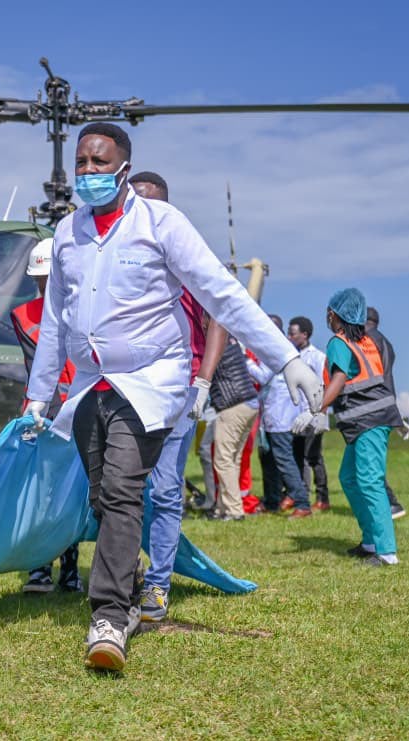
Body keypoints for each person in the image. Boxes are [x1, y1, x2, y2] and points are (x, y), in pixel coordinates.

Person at [25, 123, 322, 671]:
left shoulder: (161, 224)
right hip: (92, 383)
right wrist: (38, 397)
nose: (88, 173)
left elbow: (222, 293)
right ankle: (131, 580)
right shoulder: (67, 233)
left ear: (123, 169)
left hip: (149, 383)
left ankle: (109, 616)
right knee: (101, 496)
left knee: (120, 489)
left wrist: (287, 358)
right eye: (81, 163)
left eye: (98, 162)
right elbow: (54, 323)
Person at [129, 170, 229, 623]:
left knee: (166, 487)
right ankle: (122, 573)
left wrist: (203, 382)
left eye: (151, 202)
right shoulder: (121, 256)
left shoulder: (190, 258)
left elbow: (219, 318)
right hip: (126, 387)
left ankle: (157, 585)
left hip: (179, 391)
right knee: (119, 489)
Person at [294, 289, 401, 566]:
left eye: (329, 311)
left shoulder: (338, 342)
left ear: (335, 314)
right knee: (350, 478)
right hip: (369, 419)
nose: (327, 316)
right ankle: (370, 542)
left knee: (369, 481)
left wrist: (315, 411)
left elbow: (339, 378)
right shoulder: (365, 341)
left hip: (369, 420)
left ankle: (387, 552)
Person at [11, 238, 83, 594]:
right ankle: (39, 568)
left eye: (49, 277)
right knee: (40, 493)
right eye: (39, 279)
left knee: (73, 496)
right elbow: (36, 367)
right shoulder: (23, 316)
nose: (44, 285)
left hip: (83, 409)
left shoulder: (87, 308)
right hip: (45, 415)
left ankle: (70, 570)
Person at [247, 314, 312, 518]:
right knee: (268, 459)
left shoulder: (276, 348)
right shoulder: (278, 347)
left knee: (284, 460)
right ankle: (272, 500)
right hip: (272, 414)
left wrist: (244, 360)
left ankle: (302, 503)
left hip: (280, 415)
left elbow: (263, 376)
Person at [208, 335, 260, 521]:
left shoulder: (214, 344)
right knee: (232, 459)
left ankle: (233, 510)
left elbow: (203, 371)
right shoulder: (232, 342)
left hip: (233, 404)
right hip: (249, 402)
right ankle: (223, 507)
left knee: (223, 460)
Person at [365, 306, 409, 519]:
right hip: (384, 407)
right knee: (370, 464)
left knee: (369, 466)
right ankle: (389, 504)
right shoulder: (385, 342)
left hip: (372, 410)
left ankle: (391, 504)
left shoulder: (368, 341)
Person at [287, 316, 330, 510]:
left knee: (313, 456)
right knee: (298, 457)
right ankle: (302, 494)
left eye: (292, 333)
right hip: (296, 414)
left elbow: (324, 384)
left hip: (313, 413)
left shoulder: (317, 356)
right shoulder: (293, 356)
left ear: (304, 334)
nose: (289, 337)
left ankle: (323, 497)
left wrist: (321, 412)